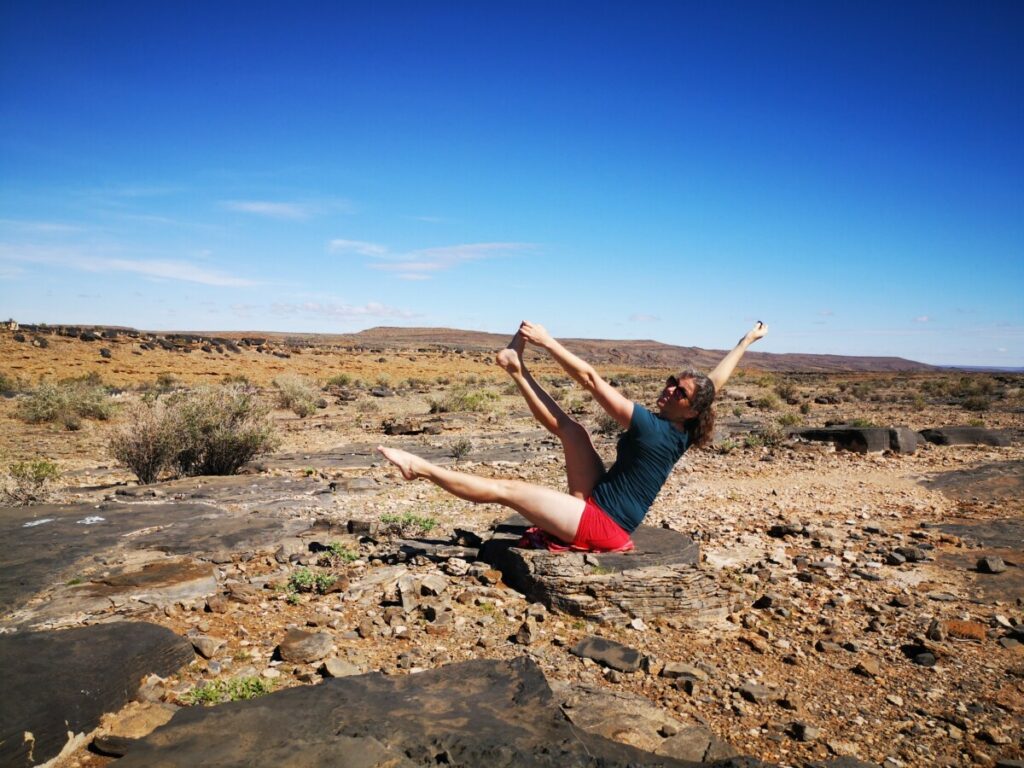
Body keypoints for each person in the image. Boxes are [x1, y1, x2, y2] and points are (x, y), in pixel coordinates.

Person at [377, 320, 768, 552]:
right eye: (671, 382)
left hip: (605, 525)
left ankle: (421, 469)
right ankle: (516, 367)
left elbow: (590, 379)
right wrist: (744, 343)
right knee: (574, 432)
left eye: (678, 392)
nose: (669, 390)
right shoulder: (685, 428)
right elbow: (716, 381)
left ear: (692, 409)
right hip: (600, 498)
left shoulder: (652, 427)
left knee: (508, 489)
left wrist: (548, 342)